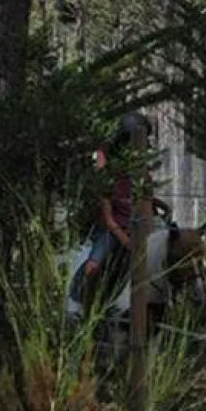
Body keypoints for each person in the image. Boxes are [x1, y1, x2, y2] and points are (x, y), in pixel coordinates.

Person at [72, 112, 169, 309]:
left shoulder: (142, 175)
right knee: (94, 266)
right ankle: (86, 308)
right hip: (114, 231)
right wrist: (126, 241)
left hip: (139, 228)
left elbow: (144, 199)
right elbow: (108, 218)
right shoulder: (108, 174)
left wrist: (160, 206)